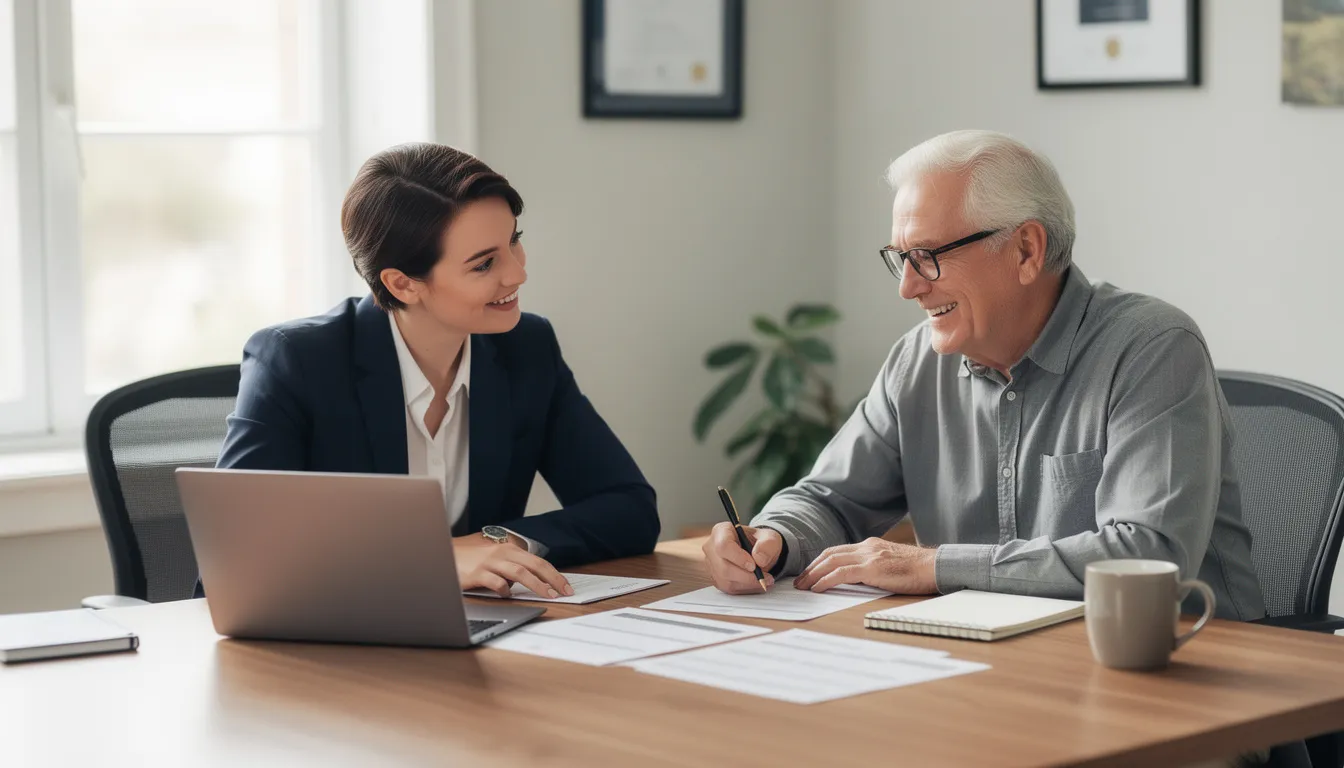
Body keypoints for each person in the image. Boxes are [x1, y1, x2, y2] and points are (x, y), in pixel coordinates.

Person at [702, 130, 1265, 622]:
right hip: (1000, 669)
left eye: (926, 255)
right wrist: (773, 537)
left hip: (1188, 679)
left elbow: (1147, 557)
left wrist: (934, 565)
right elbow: (831, 500)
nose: (909, 287)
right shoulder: (916, 360)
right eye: (900, 258)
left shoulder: (1153, 349)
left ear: (1025, 249)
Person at [198, 142, 659, 601]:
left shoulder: (526, 349)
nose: (517, 274)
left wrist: (497, 542)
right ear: (403, 284)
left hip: (481, 634)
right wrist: (433, 557)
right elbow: (235, 561)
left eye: (514, 241)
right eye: (484, 263)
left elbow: (629, 510)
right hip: (332, 641)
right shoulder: (295, 361)